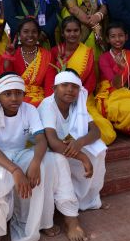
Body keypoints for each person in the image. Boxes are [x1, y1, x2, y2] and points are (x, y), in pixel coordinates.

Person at [0, 74, 80, 241]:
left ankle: (43, 222)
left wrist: (35, 163)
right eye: (8, 94)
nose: (14, 98)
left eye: (18, 93)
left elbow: (41, 139)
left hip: (21, 152)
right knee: (0, 177)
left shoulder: (29, 109)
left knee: (50, 163)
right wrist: (16, 170)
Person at [39, 70, 107, 241]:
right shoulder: (47, 105)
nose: (70, 90)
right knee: (61, 160)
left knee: (99, 150)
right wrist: (82, 156)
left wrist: (80, 143)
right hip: (47, 151)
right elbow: (53, 142)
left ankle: (87, 200)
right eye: (64, 85)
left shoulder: (78, 105)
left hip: (70, 147)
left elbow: (96, 131)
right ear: (54, 88)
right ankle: (70, 219)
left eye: (75, 87)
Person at [45, 17, 117, 145]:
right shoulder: (55, 51)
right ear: (63, 33)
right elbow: (51, 80)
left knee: (107, 133)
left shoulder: (88, 51)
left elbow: (91, 80)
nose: (72, 34)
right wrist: (60, 63)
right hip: (60, 100)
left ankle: (78, 140)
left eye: (75, 30)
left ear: (80, 31)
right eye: (68, 31)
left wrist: (77, 98)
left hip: (83, 99)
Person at [3, 18, 52, 107]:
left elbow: (49, 85)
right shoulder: (13, 53)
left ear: (38, 35)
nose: (30, 35)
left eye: (34, 32)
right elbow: (6, 78)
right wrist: (8, 56)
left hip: (41, 102)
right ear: (19, 35)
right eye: (25, 31)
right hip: (16, 100)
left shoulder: (47, 55)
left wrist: (49, 104)